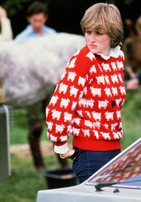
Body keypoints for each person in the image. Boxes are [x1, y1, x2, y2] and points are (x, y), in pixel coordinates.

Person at [45, 2, 125, 183]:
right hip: (90, 154)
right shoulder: (83, 60)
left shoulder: (117, 57)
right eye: (88, 32)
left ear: (113, 34)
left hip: (114, 150)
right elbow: (59, 104)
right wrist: (60, 144)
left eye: (98, 33)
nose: (91, 39)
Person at [14, 1, 64, 171]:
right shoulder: (21, 39)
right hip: (33, 88)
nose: (38, 24)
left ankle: (62, 161)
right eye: (35, 20)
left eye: (41, 20)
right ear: (29, 19)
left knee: (56, 123)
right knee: (36, 125)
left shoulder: (53, 35)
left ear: (45, 18)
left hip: (50, 85)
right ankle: (39, 165)